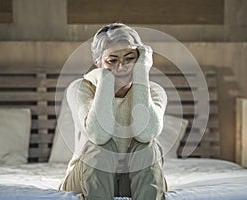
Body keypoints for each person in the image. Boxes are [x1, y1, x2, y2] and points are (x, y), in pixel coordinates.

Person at [59, 23, 168, 200]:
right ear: (98, 62)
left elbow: (146, 133)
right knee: (102, 147)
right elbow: (98, 135)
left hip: (134, 178)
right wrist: (105, 78)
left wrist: (141, 72)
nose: (122, 66)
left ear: (140, 58)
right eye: (112, 60)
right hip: (87, 176)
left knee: (146, 147)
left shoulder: (154, 91)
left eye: (130, 58)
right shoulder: (80, 89)